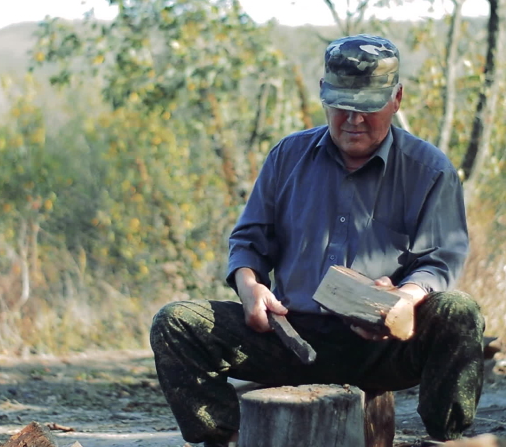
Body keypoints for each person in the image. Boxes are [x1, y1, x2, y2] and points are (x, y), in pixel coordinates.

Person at [150, 34, 484, 447]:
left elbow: (440, 260)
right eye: (342, 105)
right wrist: (250, 286)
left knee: (460, 312)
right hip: (290, 336)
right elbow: (249, 240)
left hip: (382, 344)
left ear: (396, 99)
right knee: (176, 322)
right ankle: (231, 435)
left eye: (367, 107)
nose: (353, 120)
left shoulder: (430, 169)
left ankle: (445, 438)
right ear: (324, 96)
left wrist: (405, 297)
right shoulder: (288, 156)